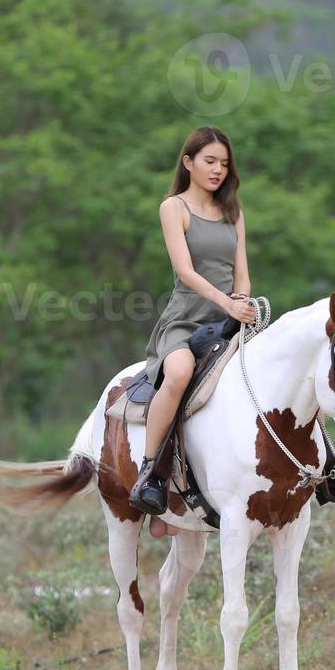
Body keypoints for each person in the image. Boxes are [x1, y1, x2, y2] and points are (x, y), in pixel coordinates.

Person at [129, 126, 256, 514]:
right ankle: (150, 472)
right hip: (186, 320)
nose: (218, 170)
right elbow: (185, 271)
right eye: (209, 161)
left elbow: (242, 272)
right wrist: (226, 302)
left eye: (224, 163)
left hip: (230, 318)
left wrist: (244, 302)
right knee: (181, 372)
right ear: (188, 163)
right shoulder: (174, 208)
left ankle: (322, 468)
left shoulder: (233, 212)